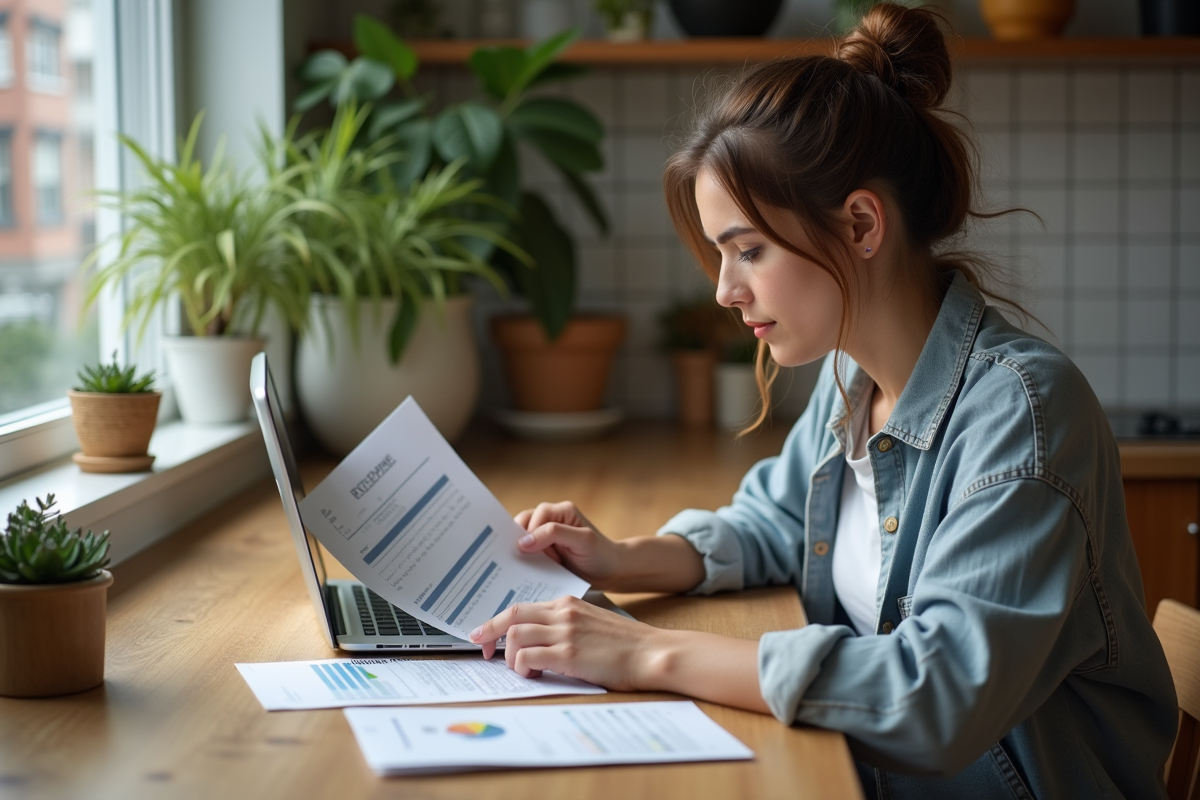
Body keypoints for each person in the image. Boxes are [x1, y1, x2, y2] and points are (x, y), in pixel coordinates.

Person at [468, 4, 1179, 796]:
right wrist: (621, 557)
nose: (725, 291)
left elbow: (935, 695)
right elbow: (773, 523)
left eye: (748, 250)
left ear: (862, 223)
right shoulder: (853, 378)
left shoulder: (1024, 416)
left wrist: (640, 652)